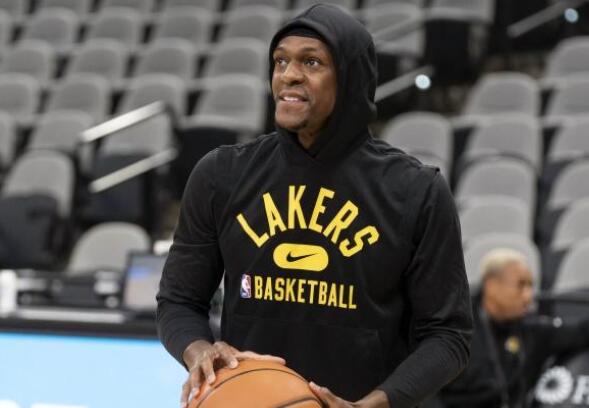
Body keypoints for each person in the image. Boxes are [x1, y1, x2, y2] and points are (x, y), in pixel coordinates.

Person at [156, 5, 473, 408]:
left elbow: (449, 336)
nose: (288, 74)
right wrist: (198, 349)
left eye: (311, 62)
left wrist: (375, 404)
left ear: (350, 78)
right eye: (280, 61)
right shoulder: (221, 175)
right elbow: (178, 301)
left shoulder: (415, 190)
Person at [436, 248, 589, 408]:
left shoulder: (531, 331)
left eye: (531, 286)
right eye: (521, 285)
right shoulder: (451, 328)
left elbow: (584, 328)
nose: (528, 296)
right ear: (491, 285)